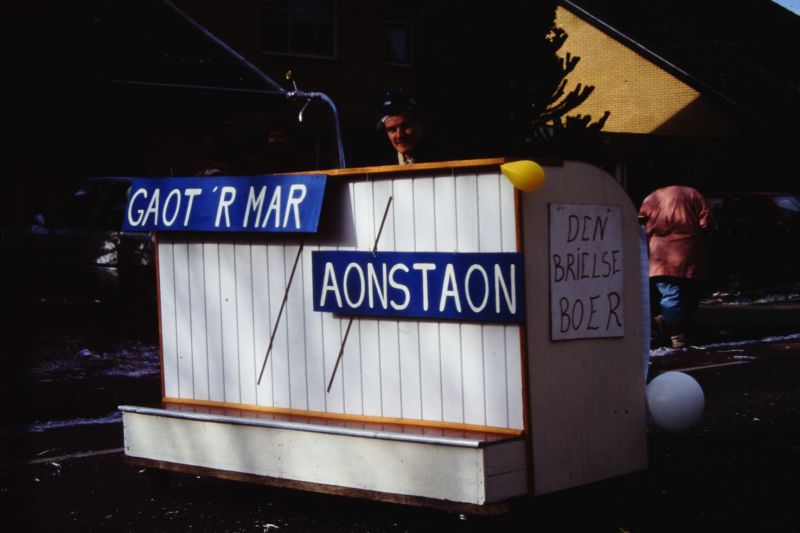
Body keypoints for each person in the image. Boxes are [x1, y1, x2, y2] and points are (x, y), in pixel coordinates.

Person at [639, 185, 716, 349]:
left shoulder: (651, 197)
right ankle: (676, 331)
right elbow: (707, 223)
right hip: (689, 253)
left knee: (670, 293)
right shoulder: (693, 194)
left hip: (659, 253)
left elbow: (640, 222)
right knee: (688, 293)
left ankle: (672, 327)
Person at [374, 88, 455, 165]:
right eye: (392, 129)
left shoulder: (449, 160)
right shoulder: (383, 168)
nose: (399, 135)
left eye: (406, 126)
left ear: (423, 124)